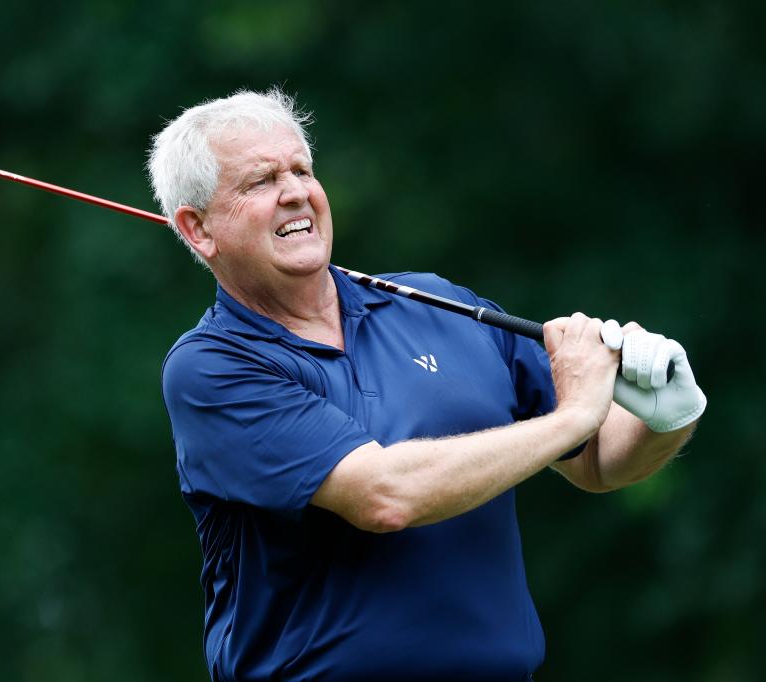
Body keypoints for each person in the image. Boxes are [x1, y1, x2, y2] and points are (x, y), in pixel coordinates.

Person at [147, 89, 706, 682]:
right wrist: (573, 416)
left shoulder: (438, 306)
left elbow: (597, 461)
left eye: (302, 170)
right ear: (198, 229)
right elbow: (383, 496)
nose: (295, 191)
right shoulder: (211, 367)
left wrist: (666, 415)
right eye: (261, 181)